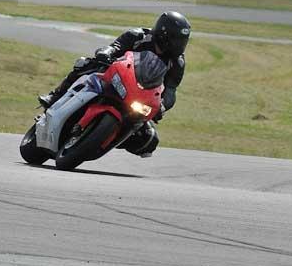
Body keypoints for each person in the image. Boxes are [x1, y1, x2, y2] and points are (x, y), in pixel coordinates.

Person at [38, 11, 191, 157]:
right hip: (114, 74)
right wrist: (106, 52)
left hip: (139, 95)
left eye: (183, 41)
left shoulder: (177, 62)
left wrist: (162, 106)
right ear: (164, 34)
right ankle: (55, 95)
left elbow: (171, 90)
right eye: (177, 39)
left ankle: (108, 139)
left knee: (149, 139)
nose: (180, 45)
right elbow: (115, 46)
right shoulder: (138, 35)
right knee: (85, 64)